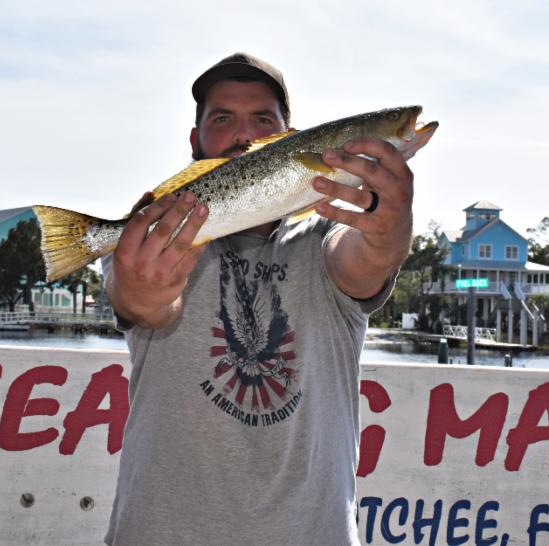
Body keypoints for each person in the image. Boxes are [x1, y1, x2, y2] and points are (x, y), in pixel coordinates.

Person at [103, 52, 415, 546]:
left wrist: (389, 232)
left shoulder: (328, 232)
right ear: (195, 140)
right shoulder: (153, 235)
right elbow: (142, 302)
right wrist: (143, 290)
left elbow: (364, 261)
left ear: (291, 137)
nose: (243, 134)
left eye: (263, 119)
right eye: (222, 119)